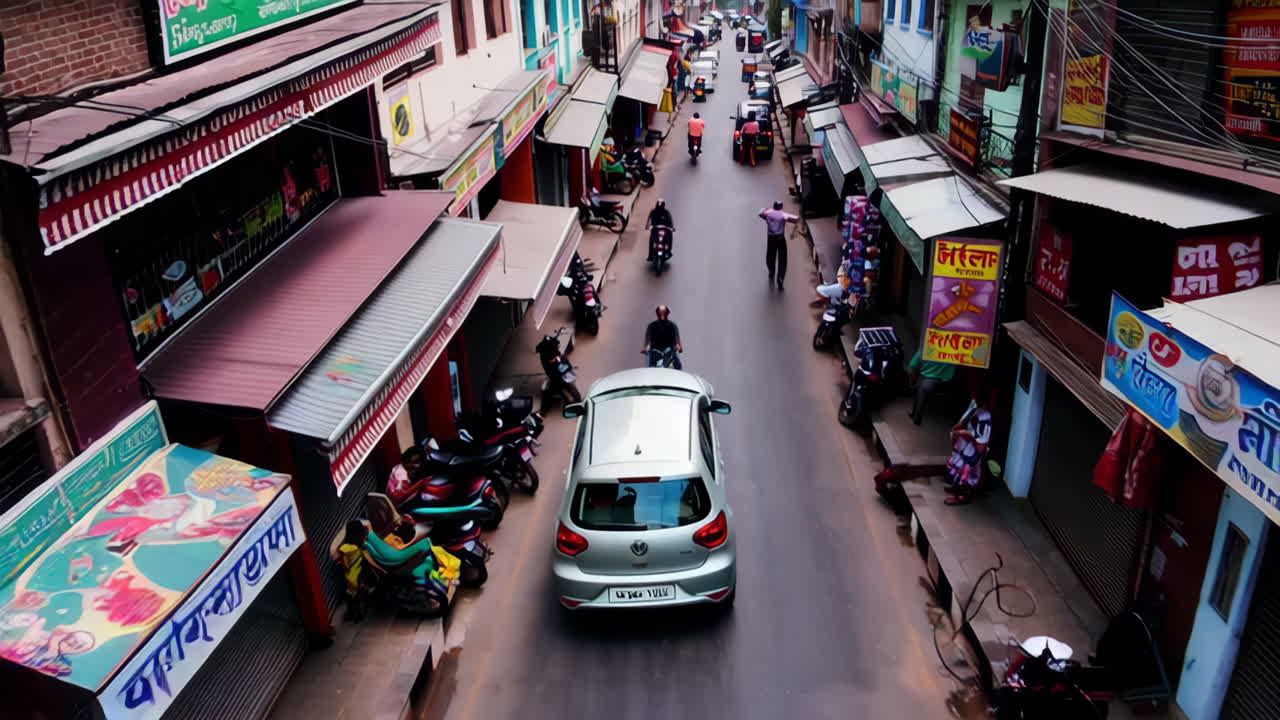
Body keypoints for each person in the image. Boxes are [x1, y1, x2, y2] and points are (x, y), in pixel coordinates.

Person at [944, 400, 993, 505]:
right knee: (957, 464)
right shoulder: (974, 403)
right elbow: (964, 420)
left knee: (966, 469)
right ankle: (957, 489)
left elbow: (981, 443)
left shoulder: (985, 415)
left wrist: (964, 433)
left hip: (974, 447)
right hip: (966, 444)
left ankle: (962, 496)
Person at [907, 348, 957, 425]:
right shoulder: (955, 351)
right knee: (922, 387)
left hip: (930, 381)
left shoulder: (925, 349)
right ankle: (914, 413)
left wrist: (913, 383)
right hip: (950, 381)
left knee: (922, 388)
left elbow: (912, 367)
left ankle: (916, 417)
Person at [758, 201, 798, 289]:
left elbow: (760, 213)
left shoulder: (768, 214)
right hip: (780, 239)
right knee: (782, 259)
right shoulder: (783, 215)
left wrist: (768, 210)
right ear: (781, 207)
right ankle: (780, 279)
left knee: (770, 256)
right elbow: (796, 219)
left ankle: (771, 271)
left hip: (771, 238)